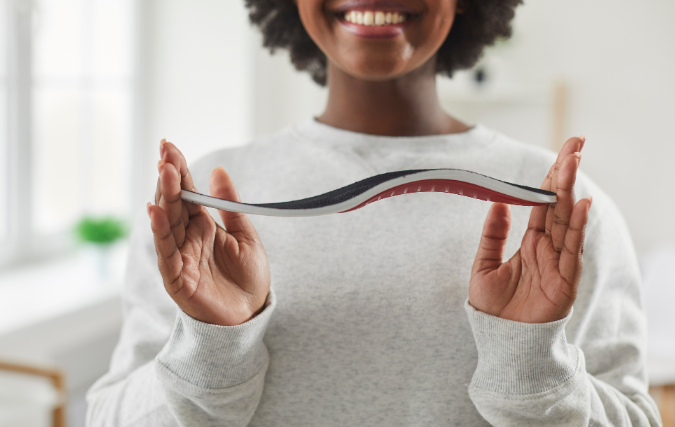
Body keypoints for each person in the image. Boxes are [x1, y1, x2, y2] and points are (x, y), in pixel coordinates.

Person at [86, 0, 663, 425]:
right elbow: (110, 416)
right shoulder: (200, 210)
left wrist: (530, 361)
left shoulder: (558, 211)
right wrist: (213, 341)